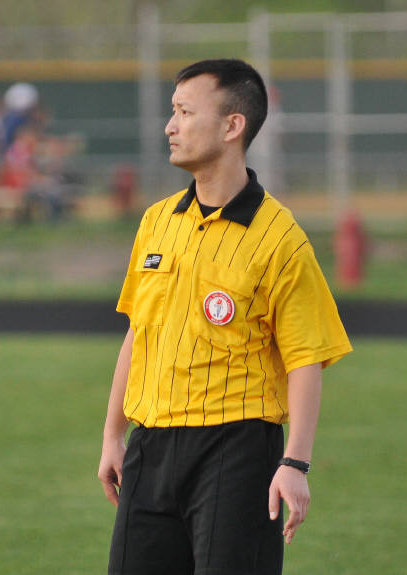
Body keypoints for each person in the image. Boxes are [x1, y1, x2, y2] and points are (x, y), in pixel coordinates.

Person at [98, 58, 353, 575]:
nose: (170, 126)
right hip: (150, 446)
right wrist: (112, 435)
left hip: (236, 452)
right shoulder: (157, 221)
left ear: (232, 125)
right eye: (172, 111)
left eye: (184, 112)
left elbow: (305, 358)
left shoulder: (280, 238)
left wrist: (295, 463)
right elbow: (138, 333)